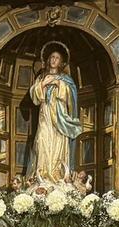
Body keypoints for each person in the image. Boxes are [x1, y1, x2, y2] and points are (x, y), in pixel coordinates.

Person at [27, 43, 83, 183]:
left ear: (61, 62)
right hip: (45, 115)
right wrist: (43, 84)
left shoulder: (66, 79)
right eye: (52, 57)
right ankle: (42, 175)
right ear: (47, 60)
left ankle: (58, 176)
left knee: (58, 143)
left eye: (57, 58)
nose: (53, 60)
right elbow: (35, 97)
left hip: (60, 118)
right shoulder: (41, 77)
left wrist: (60, 85)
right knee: (42, 141)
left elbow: (72, 97)